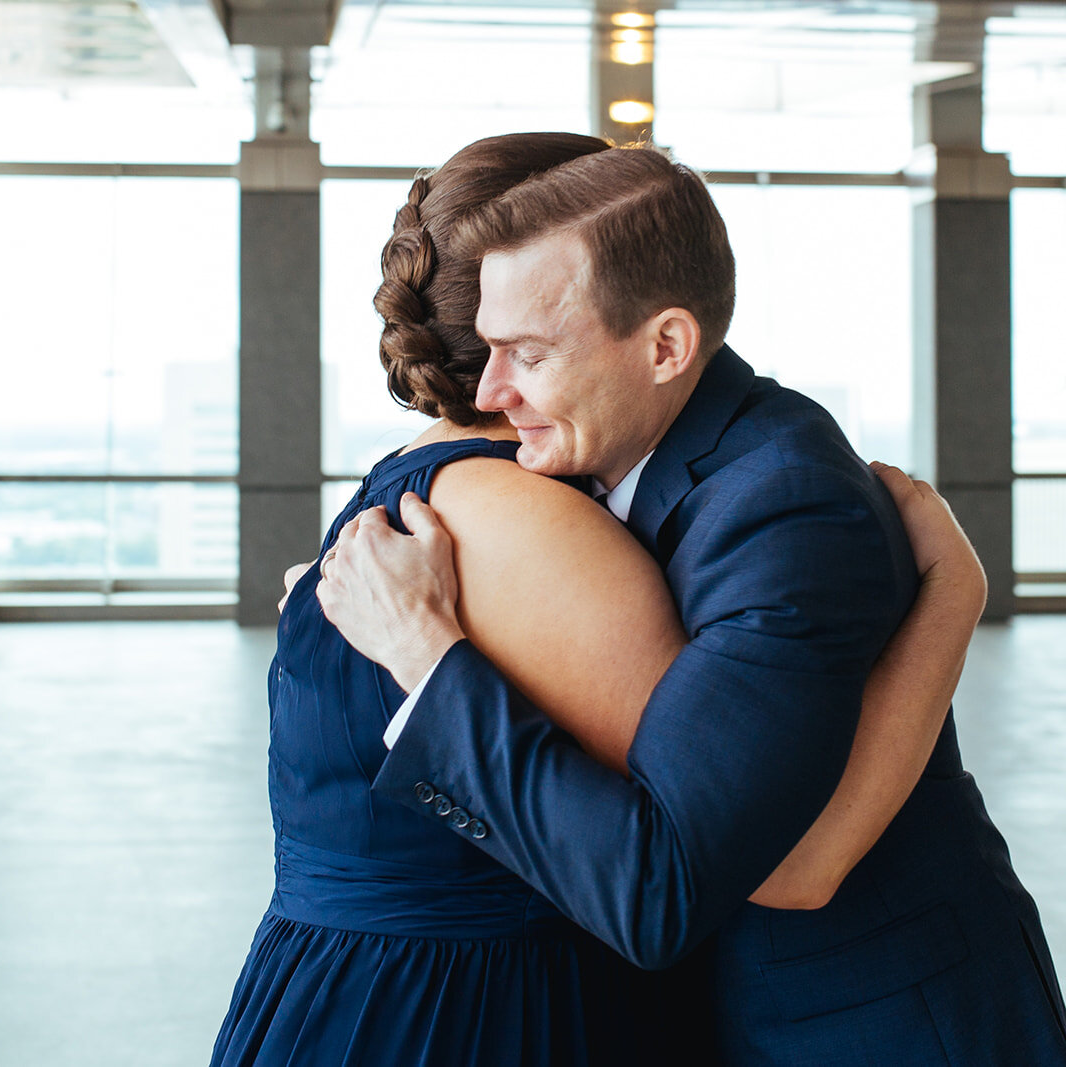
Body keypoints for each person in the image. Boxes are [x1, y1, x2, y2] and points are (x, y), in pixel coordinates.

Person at [210, 133, 993, 1066]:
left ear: (665, 342)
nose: (502, 390)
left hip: (870, 1023)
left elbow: (771, 865)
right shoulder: (555, 482)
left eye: (530, 352)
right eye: (496, 350)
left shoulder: (776, 497)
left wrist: (956, 592)